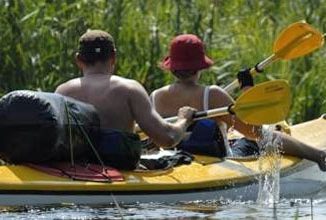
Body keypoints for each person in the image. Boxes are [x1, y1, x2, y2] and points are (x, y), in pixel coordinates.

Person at [150, 34, 326, 171]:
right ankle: (318, 156)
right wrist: (247, 89)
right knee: (261, 136)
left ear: (172, 67)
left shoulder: (155, 97)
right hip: (214, 162)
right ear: (200, 67)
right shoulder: (211, 95)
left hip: (174, 162)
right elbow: (254, 131)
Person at [55, 30, 196, 170]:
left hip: (75, 172)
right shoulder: (130, 89)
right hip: (118, 171)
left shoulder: (62, 91)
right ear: (114, 57)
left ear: (78, 59)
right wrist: (183, 120)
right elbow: (168, 138)